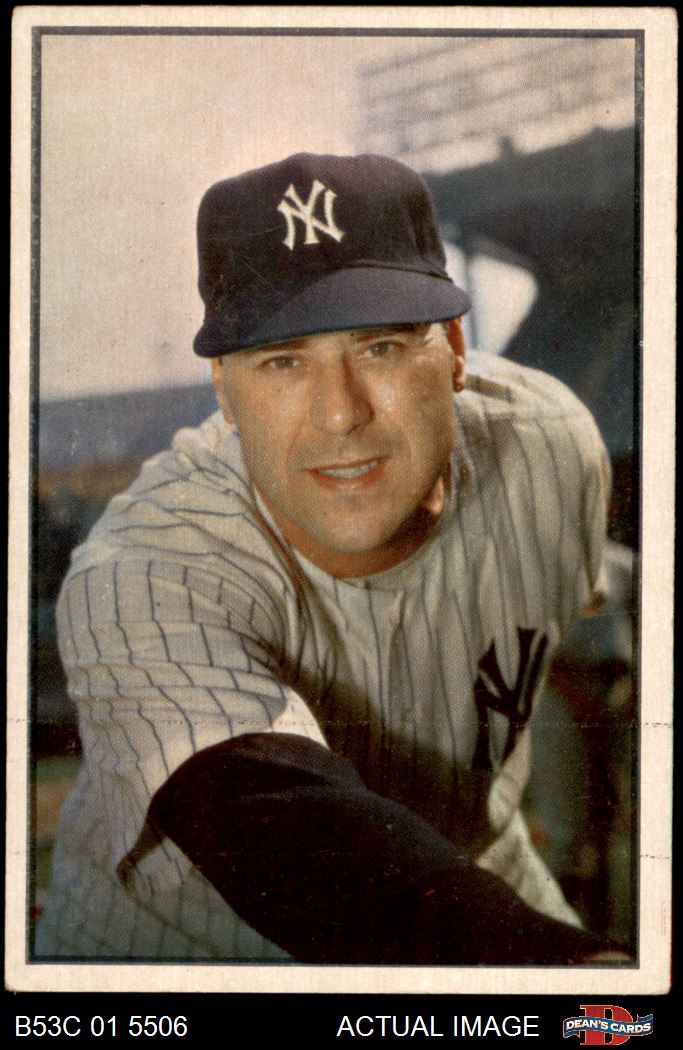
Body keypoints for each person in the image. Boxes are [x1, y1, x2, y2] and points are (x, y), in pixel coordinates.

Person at [36, 152, 623, 964]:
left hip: (480, 878)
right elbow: (289, 838)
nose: (340, 413)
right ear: (224, 389)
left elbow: (576, 641)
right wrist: (559, 968)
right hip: (186, 955)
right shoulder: (142, 568)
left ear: (454, 348)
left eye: (379, 347)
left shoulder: (549, 450)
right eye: (283, 361)